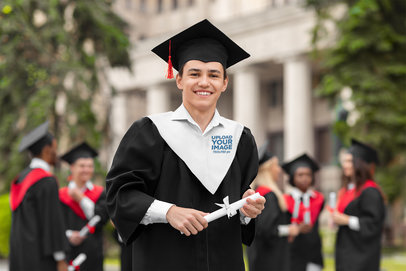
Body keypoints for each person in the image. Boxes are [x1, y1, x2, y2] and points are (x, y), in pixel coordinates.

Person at [106, 19, 265, 271]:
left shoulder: (240, 138)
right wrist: (169, 212)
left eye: (214, 75)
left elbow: (239, 200)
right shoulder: (150, 132)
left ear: (224, 83)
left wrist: (247, 210)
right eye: (194, 74)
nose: (204, 82)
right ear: (179, 80)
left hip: (224, 262)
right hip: (164, 261)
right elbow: (120, 196)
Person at [9, 121, 69, 271]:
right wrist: (61, 258)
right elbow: (52, 222)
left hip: (20, 255)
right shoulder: (45, 181)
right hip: (41, 258)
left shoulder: (20, 178)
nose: (57, 153)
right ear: (47, 150)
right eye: (55, 148)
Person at [333, 139, 385, 271]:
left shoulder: (370, 191)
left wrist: (347, 220)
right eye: (344, 161)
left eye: (349, 161)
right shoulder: (349, 191)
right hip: (347, 255)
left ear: (360, 164)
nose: (345, 165)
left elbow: (373, 224)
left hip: (362, 259)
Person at [247, 143, 299, 271]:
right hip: (269, 258)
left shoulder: (258, 193)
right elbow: (266, 230)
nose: (279, 170)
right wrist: (289, 230)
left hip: (260, 256)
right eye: (276, 165)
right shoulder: (267, 196)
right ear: (268, 169)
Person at [59, 142, 109, 271]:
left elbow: (102, 218)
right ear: (72, 167)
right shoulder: (60, 195)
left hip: (92, 254)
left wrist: (81, 199)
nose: (86, 170)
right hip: (67, 251)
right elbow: (54, 223)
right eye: (82, 166)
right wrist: (68, 235)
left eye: (90, 166)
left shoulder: (100, 193)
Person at [282, 154, 324, 271]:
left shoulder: (319, 199)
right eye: (300, 175)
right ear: (292, 177)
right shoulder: (285, 201)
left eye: (308, 175)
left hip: (313, 252)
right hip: (292, 252)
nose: (305, 178)